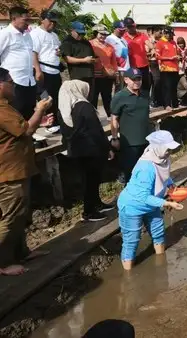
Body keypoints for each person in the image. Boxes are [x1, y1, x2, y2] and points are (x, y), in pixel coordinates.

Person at [0, 68, 53, 276]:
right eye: (10, 82)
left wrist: (39, 118)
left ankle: (21, 252)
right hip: (8, 173)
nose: (14, 85)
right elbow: (26, 130)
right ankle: (2, 264)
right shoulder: (1, 109)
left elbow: (21, 130)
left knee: (20, 214)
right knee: (10, 217)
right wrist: (39, 109)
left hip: (17, 170)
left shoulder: (6, 107)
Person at [117, 130, 183, 270]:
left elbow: (162, 175)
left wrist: (170, 183)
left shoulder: (162, 158)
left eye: (170, 149)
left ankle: (161, 265)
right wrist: (166, 202)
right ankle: (129, 277)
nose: (169, 152)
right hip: (132, 206)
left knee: (158, 232)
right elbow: (142, 197)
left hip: (152, 202)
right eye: (167, 149)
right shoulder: (146, 167)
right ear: (157, 147)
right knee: (132, 241)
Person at [57, 80, 113, 222]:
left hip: (77, 150)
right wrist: (107, 148)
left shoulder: (64, 109)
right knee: (92, 181)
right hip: (91, 150)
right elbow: (96, 131)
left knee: (88, 180)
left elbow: (66, 132)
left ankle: (97, 204)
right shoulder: (84, 107)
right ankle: (89, 212)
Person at [110, 68, 152, 184]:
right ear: (126, 80)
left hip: (146, 140)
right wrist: (114, 138)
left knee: (146, 171)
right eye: (134, 80)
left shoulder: (145, 94)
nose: (137, 82)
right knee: (131, 173)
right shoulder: (120, 97)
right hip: (129, 142)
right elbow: (114, 119)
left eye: (139, 79)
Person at [0, 7, 37, 119]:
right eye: (25, 20)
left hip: (29, 80)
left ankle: (29, 136)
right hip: (14, 81)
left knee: (29, 111)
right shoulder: (5, 34)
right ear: (14, 18)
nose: (28, 23)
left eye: (29, 20)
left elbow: (31, 54)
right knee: (16, 113)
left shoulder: (28, 36)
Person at [30, 10, 62, 122]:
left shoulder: (54, 35)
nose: (53, 24)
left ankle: (55, 122)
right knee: (45, 98)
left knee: (56, 97)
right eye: (50, 21)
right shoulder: (35, 34)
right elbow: (33, 53)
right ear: (42, 20)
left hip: (55, 71)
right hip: (43, 71)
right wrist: (38, 71)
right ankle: (48, 121)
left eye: (55, 22)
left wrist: (59, 53)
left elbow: (57, 49)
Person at [61, 21, 96, 99]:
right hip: (77, 76)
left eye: (83, 34)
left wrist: (94, 60)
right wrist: (84, 60)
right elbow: (68, 59)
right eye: (79, 33)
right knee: (79, 99)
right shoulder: (67, 42)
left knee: (90, 99)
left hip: (89, 75)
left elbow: (92, 56)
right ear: (72, 30)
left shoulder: (86, 42)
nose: (81, 35)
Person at [89, 24, 117, 117]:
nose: (103, 36)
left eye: (105, 35)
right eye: (101, 34)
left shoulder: (110, 47)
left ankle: (111, 116)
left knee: (107, 97)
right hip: (94, 76)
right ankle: (93, 117)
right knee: (93, 98)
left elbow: (114, 63)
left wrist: (114, 73)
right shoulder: (90, 44)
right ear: (96, 33)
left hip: (107, 76)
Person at [123, 17, 151, 92]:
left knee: (145, 86)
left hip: (143, 66)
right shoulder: (123, 38)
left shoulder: (142, 35)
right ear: (126, 27)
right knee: (132, 86)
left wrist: (153, 48)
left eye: (133, 26)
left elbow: (148, 43)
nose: (132, 28)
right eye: (129, 27)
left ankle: (145, 102)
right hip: (130, 67)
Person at [155, 28, 180, 110]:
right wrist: (170, 58)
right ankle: (167, 104)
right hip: (165, 69)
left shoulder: (173, 42)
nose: (171, 36)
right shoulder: (160, 43)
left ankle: (175, 103)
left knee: (174, 87)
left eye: (172, 35)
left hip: (175, 68)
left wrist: (179, 57)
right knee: (167, 87)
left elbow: (176, 53)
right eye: (169, 34)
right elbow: (157, 56)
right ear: (165, 34)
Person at [105, 21, 130, 91]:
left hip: (126, 68)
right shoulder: (109, 39)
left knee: (125, 90)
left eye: (124, 30)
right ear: (115, 29)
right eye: (120, 30)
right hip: (118, 70)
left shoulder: (123, 39)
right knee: (119, 90)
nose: (122, 32)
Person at [146, 29, 162, 108]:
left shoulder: (159, 41)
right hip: (151, 63)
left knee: (157, 82)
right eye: (159, 32)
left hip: (159, 64)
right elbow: (145, 53)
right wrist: (152, 52)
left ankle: (154, 100)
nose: (161, 33)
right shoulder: (148, 42)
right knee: (152, 82)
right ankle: (149, 101)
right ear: (153, 32)